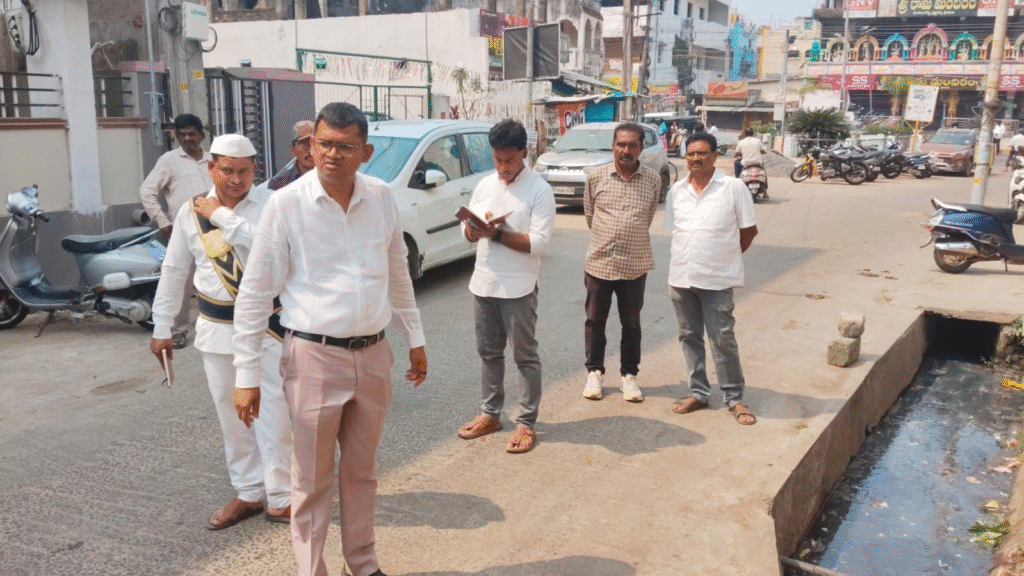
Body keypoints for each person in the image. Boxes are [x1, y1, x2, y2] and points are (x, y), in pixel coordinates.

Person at [231, 102, 428, 576]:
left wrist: (415, 338)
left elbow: (397, 272)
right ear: (310, 145)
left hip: (373, 354)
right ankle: (312, 569)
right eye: (323, 144)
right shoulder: (286, 204)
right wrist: (245, 374)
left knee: (362, 472)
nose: (332, 155)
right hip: (313, 357)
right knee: (311, 479)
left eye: (345, 146)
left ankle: (361, 563)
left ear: (366, 152)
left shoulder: (381, 197)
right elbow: (255, 293)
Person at [149, 133, 293, 530]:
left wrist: (222, 218)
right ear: (212, 168)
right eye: (227, 170)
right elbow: (174, 270)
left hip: (267, 327)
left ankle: (282, 495)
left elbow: (272, 252)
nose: (236, 179)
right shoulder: (190, 212)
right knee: (232, 416)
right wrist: (162, 325)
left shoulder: (272, 204)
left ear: (255, 169)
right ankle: (249, 491)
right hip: (217, 328)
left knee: (274, 413)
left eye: (244, 171)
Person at [456, 119, 555, 455]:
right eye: (497, 159)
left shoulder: (539, 190)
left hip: (519, 288)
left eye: (509, 160)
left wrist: (496, 234)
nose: (502, 167)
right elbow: (467, 230)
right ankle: (491, 414)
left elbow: (538, 243)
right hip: (483, 283)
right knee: (489, 354)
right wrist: (471, 231)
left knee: (525, 357)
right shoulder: (485, 184)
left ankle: (526, 422)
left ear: (524, 152)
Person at [665, 132, 758, 426]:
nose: (696, 158)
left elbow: (748, 231)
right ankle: (699, 392)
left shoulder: (733, 188)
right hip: (681, 277)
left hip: (717, 279)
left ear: (715, 156)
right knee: (689, 337)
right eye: (691, 153)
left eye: (702, 153)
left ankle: (734, 396)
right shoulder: (676, 191)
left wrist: (724, 258)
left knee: (722, 339)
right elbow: (677, 230)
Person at [580, 123, 661, 403]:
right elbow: (590, 216)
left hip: (635, 264)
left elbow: (647, 218)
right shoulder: (595, 176)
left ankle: (629, 375)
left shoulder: (652, 179)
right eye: (620, 144)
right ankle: (594, 372)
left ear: (641, 148)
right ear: (613, 146)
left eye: (632, 145)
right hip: (599, 263)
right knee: (595, 321)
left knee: (632, 324)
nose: (626, 150)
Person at [140, 113, 213, 349]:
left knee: (216, 278)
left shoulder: (213, 160)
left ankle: (218, 326)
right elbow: (147, 191)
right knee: (180, 281)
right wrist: (163, 222)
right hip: (183, 230)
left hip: (215, 228)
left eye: (192, 134)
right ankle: (177, 330)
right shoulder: (169, 160)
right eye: (182, 135)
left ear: (201, 135)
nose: (187, 138)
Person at [265, 120, 315, 191]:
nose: (311, 150)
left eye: (315, 144)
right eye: (305, 144)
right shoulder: (278, 184)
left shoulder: (329, 179)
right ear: (292, 150)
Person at [733, 128, 770, 199]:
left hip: (745, 163)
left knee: (736, 163)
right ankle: (765, 192)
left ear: (745, 134)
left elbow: (737, 153)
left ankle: (738, 181)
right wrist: (763, 152)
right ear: (753, 133)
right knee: (764, 173)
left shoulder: (741, 142)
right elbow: (762, 151)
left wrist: (736, 155)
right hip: (757, 163)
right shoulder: (758, 141)